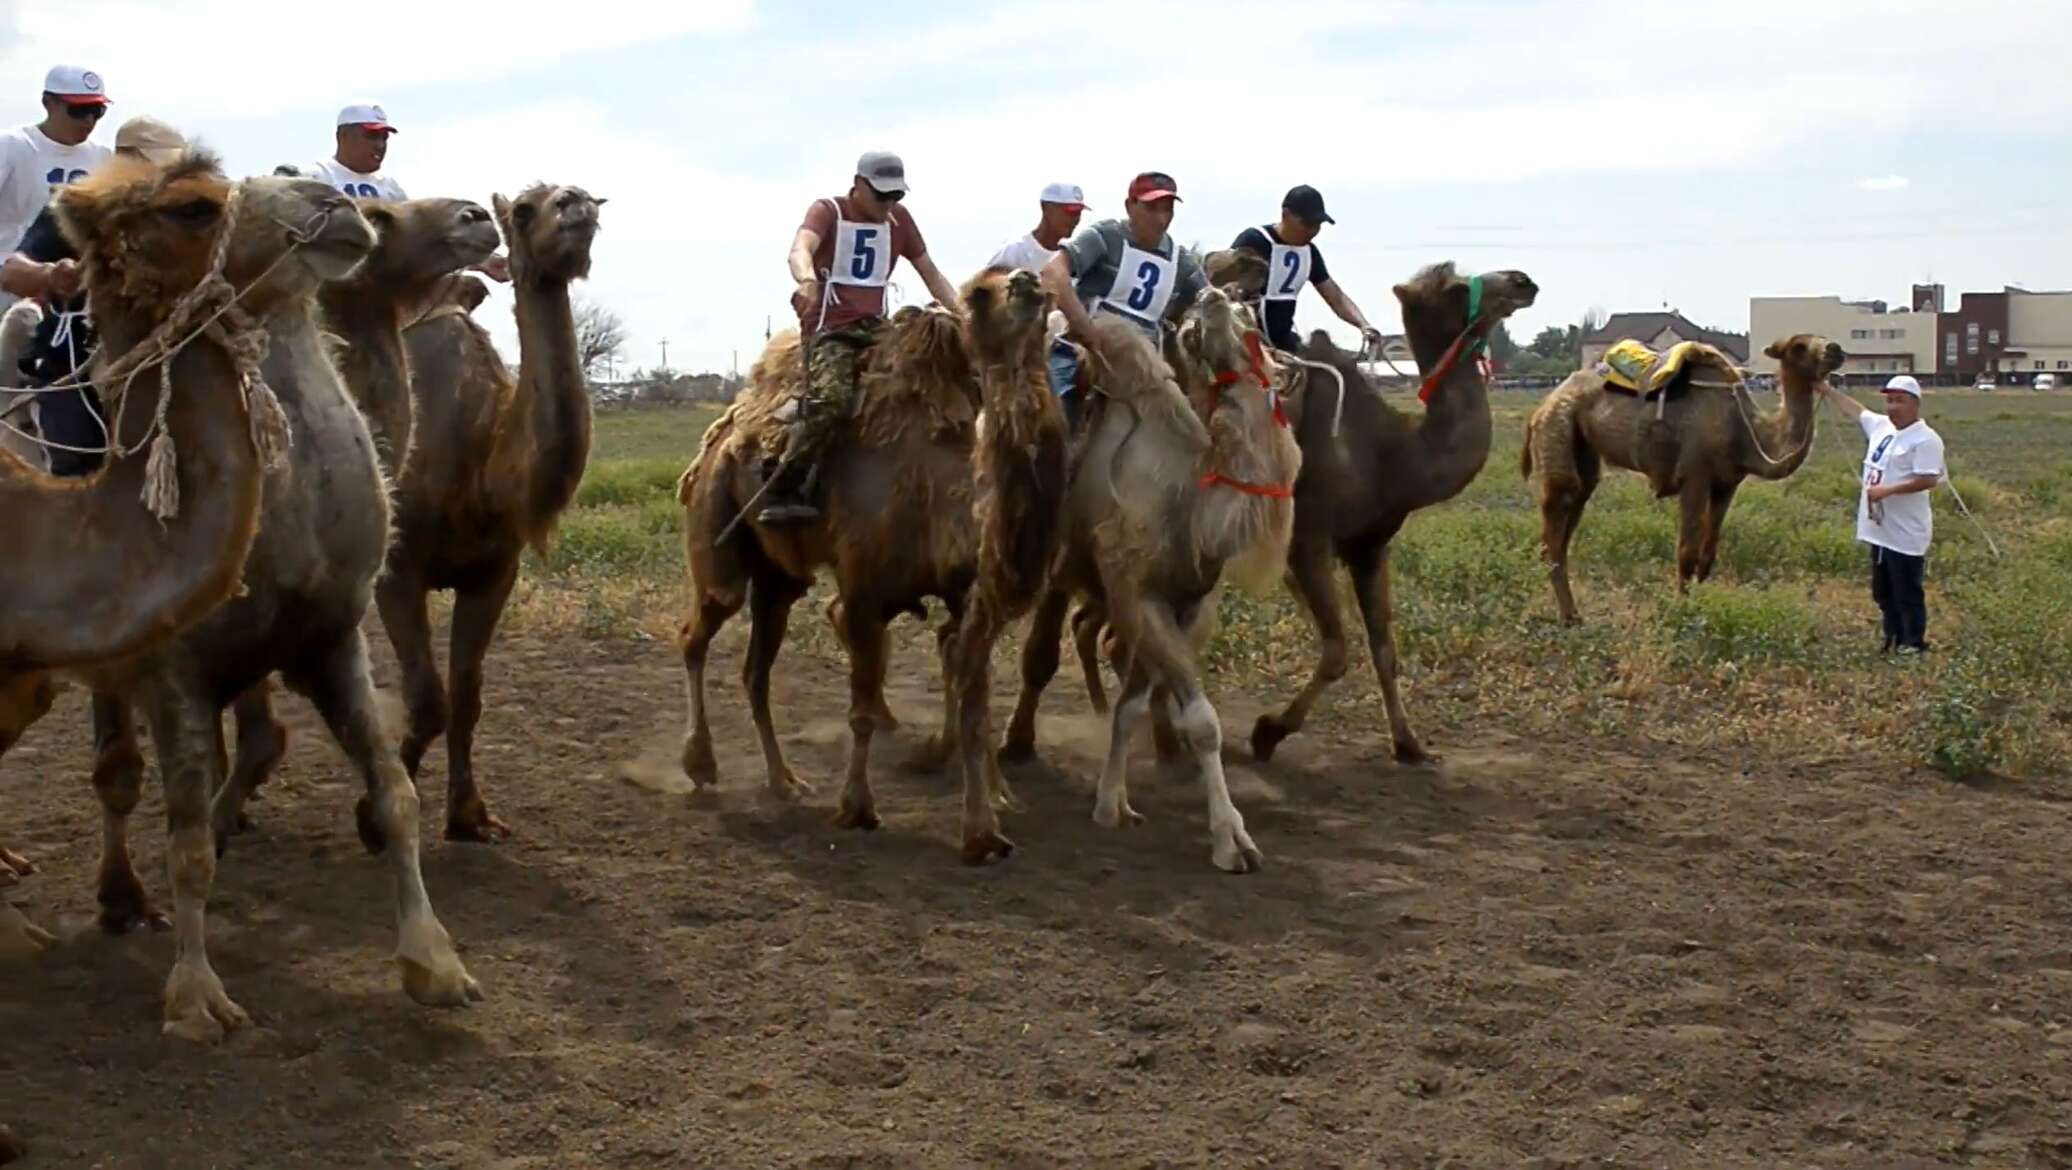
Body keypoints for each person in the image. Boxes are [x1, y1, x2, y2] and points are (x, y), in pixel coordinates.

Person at [758, 150, 962, 525]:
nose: (888, 204)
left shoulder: (899, 221)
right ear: (858, 186)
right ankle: (784, 481)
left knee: (935, 383)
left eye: (896, 196)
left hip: (878, 329)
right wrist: (806, 280)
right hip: (831, 330)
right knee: (832, 400)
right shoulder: (828, 211)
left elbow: (931, 273)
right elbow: (800, 248)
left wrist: (962, 314)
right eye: (881, 195)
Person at [0, 116, 185, 475]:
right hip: (73, 358)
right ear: (125, 160)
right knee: (76, 457)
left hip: (158, 358)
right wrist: (51, 275)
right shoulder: (77, 208)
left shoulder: (184, 222)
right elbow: (12, 270)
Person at [1037, 171, 1207, 421]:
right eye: (1151, 208)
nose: (1161, 219)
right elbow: (1054, 272)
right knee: (1055, 414)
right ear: (1130, 206)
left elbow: (1210, 301)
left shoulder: (1181, 262)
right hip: (1085, 353)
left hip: (1147, 366)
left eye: (1167, 209)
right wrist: (1085, 328)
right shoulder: (1106, 237)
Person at [297, 103, 510, 282]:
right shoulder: (314, 177)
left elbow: (419, 241)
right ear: (343, 136)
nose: (380, 145)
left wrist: (484, 261)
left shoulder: (390, 188)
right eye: (371, 136)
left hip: (380, 287)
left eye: (384, 138)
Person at [1817, 373, 1946, 655]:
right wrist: (1826, 390)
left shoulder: (1925, 440)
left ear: (1915, 404)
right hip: (1878, 528)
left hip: (1905, 530)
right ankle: (1892, 636)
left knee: (1907, 591)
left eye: (1899, 401)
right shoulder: (1881, 427)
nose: (1893, 407)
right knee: (1883, 591)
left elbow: (1928, 479)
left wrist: (1888, 490)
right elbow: (1854, 410)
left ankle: (1913, 642)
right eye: (1889, 401)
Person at [0, 65, 114, 313]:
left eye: (97, 111)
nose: (89, 121)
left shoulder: (103, 158)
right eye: (79, 110)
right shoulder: (12, 147)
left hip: (69, 297)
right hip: (7, 286)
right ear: (48, 103)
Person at [1229, 184, 1382, 355]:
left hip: (1283, 343)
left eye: (1318, 224)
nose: (1313, 230)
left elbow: (1336, 297)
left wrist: (1364, 325)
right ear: (1285, 214)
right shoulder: (1254, 240)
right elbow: (1224, 289)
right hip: (1244, 345)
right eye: (1307, 223)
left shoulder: (1309, 253)